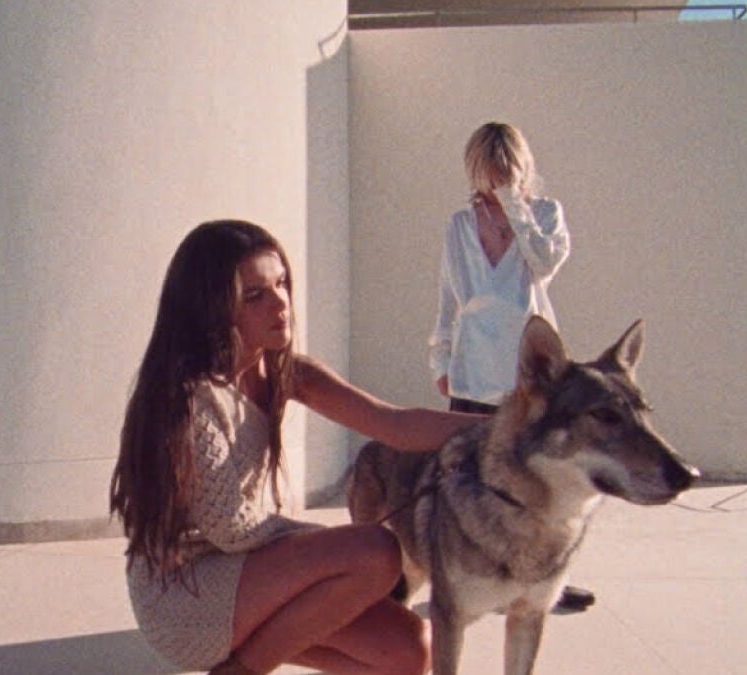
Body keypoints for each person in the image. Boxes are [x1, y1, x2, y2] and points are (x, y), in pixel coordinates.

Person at [110, 220, 482, 675]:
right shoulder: (191, 399)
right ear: (212, 309)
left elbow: (395, 425)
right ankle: (242, 671)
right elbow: (232, 530)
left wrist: (510, 429)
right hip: (186, 594)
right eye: (254, 295)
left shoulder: (287, 373)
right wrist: (328, 551)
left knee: (410, 651)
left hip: (247, 575)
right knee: (374, 552)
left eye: (281, 283)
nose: (280, 303)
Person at [427, 122, 593, 612]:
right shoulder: (460, 224)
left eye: (505, 168)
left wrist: (515, 207)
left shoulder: (544, 214)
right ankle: (474, 576)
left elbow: (544, 263)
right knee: (468, 479)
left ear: (521, 166)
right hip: (472, 363)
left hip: (529, 366)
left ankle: (543, 576)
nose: (496, 178)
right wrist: (440, 356)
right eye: (488, 169)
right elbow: (449, 296)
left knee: (540, 476)